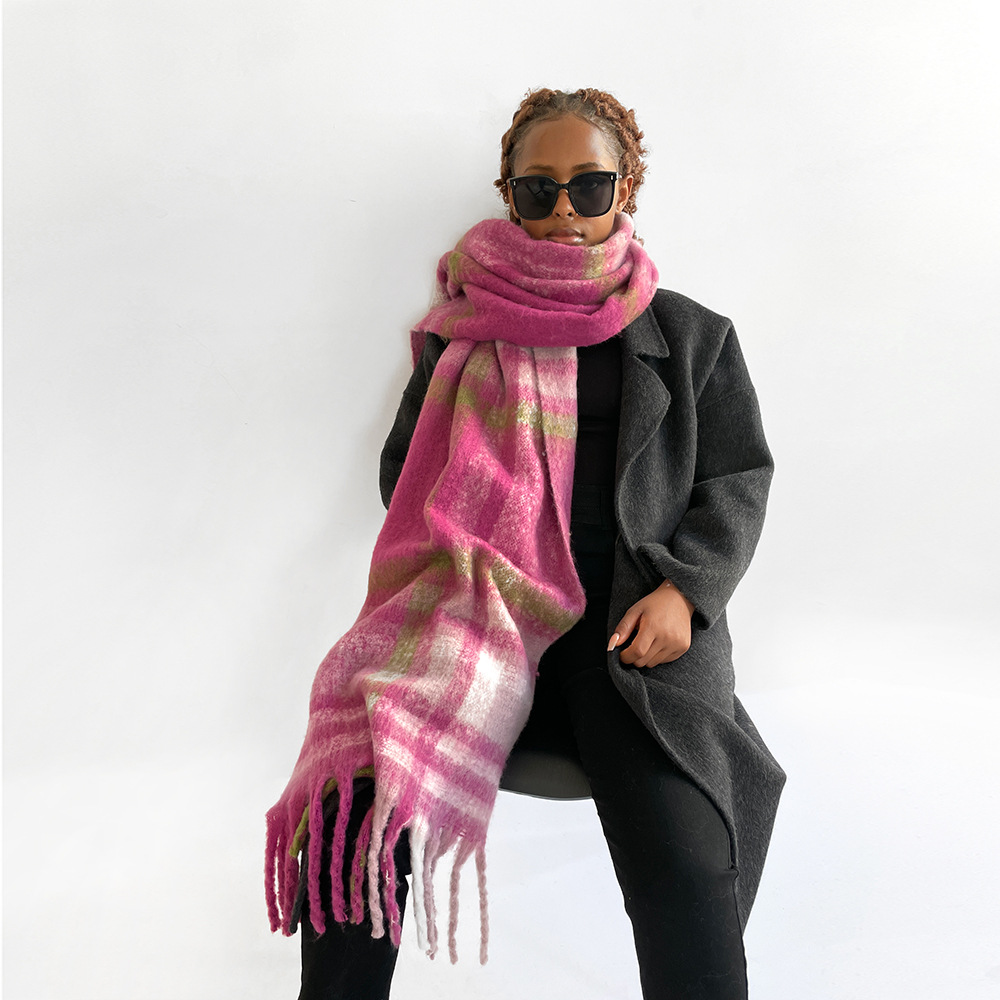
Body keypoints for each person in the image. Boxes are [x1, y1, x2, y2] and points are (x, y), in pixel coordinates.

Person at [265, 87, 786, 1000]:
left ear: (626, 188)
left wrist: (687, 592)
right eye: (539, 190)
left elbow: (736, 479)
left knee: (684, 860)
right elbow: (403, 478)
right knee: (357, 809)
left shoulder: (692, 337)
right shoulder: (459, 335)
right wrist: (478, 550)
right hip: (473, 622)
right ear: (511, 195)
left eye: (589, 187)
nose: (564, 212)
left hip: (628, 636)